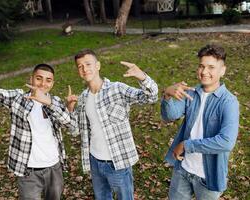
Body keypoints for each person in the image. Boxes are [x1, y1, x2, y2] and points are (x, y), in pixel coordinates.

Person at [0, 47, 71, 200]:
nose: (43, 83)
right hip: (28, 170)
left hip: (54, 167)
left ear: (52, 83)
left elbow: (71, 126)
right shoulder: (18, 99)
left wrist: (51, 104)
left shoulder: (56, 102)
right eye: (39, 78)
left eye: (48, 80)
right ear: (31, 78)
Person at [66, 49, 158, 200]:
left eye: (88, 64)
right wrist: (70, 108)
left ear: (98, 66)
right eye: (80, 66)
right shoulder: (82, 98)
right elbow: (75, 130)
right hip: (95, 161)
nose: (84, 69)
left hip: (118, 162)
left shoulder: (117, 89)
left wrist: (142, 77)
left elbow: (151, 97)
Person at [161, 44, 239, 200]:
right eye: (201, 66)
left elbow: (226, 142)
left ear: (222, 70)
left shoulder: (229, 102)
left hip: (208, 176)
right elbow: (169, 116)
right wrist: (167, 95)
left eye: (211, 67)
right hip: (183, 169)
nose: (204, 72)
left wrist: (186, 145)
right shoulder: (192, 93)